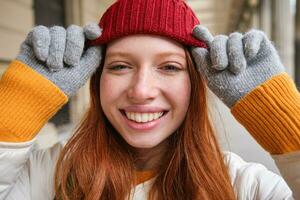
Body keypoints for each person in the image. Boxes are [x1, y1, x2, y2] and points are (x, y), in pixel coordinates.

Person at [0, 0, 299, 199]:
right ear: (95, 79)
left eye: (169, 67)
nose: (141, 91)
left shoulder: (245, 186)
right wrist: (18, 101)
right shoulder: (49, 173)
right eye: (119, 66)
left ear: (196, 83)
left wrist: (283, 121)